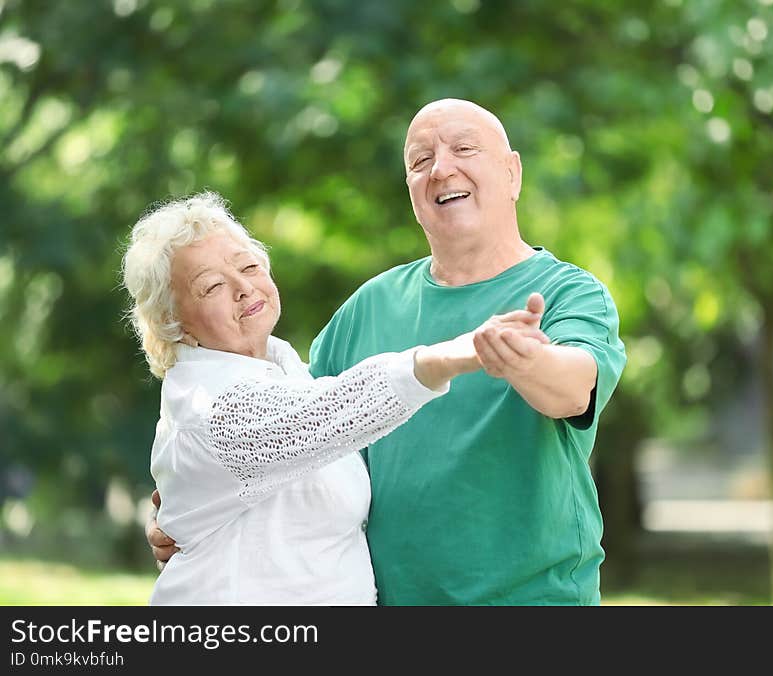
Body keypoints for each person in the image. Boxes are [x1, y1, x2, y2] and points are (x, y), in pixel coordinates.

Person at [149, 98, 627, 605]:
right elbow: (293, 432)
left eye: (464, 148)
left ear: (512, 173)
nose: (442, 168)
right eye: (421, 161)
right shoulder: (368, 307)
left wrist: (525, 359)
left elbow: (576, 389)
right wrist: (176, 509)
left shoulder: (567, 291)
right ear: (412, 193)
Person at [124, 190, 549, 605]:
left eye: (249, 266)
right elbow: (325, 414)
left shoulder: (293, 373)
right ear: (173, 323)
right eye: (212, 286)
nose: (242, 287)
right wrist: (450, 355)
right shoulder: (207, 409)